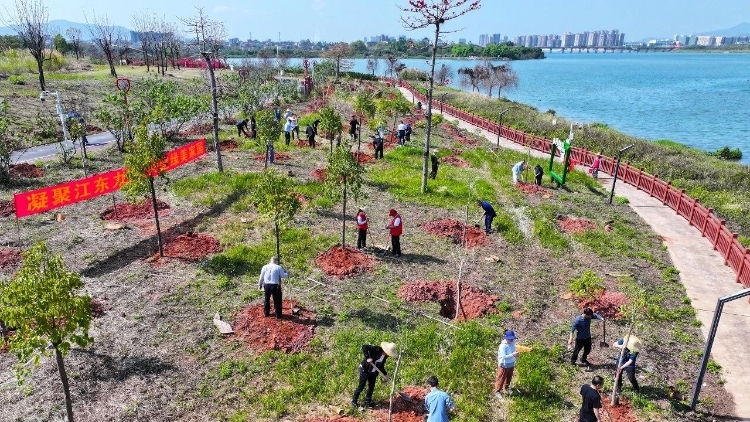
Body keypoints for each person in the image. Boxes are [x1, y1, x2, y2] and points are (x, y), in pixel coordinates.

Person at [351, 342, 398, 408]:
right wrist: (368, 357)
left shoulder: (385, 356)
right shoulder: (377, 349)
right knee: (361, 385)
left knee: (371, 386)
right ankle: (354, 401)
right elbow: (364, 347)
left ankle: (367, 401)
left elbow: (381, 366)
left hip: (373, 371)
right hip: (365, 369)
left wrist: (385, 374)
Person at [494, 330, 519, 399]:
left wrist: (516, 354)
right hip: (504, 365)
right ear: (506, 338)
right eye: (510, 339)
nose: (512, 340)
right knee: (501, 378)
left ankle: (506, 387)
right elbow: (503, 356)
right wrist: (512, 354)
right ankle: (497, 391)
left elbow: (513, 350)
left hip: (511, 364)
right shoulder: (503, 346)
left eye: (512, 339)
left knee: (509, 377)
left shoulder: (512, 343)